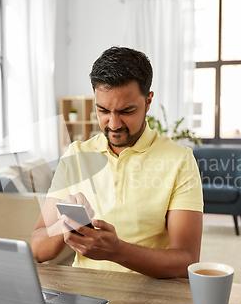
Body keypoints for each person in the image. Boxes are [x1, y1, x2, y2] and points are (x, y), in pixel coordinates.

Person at [31, 46, 203, 278]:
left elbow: (187, 261)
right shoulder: (76, 155)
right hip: (85, 295)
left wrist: (117, 251)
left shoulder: (179, 160)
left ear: (148, 101)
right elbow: (38, 250)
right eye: (103, 110)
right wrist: (64, 224)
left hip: (149, 297)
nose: (113, 124)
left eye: (127, 111)